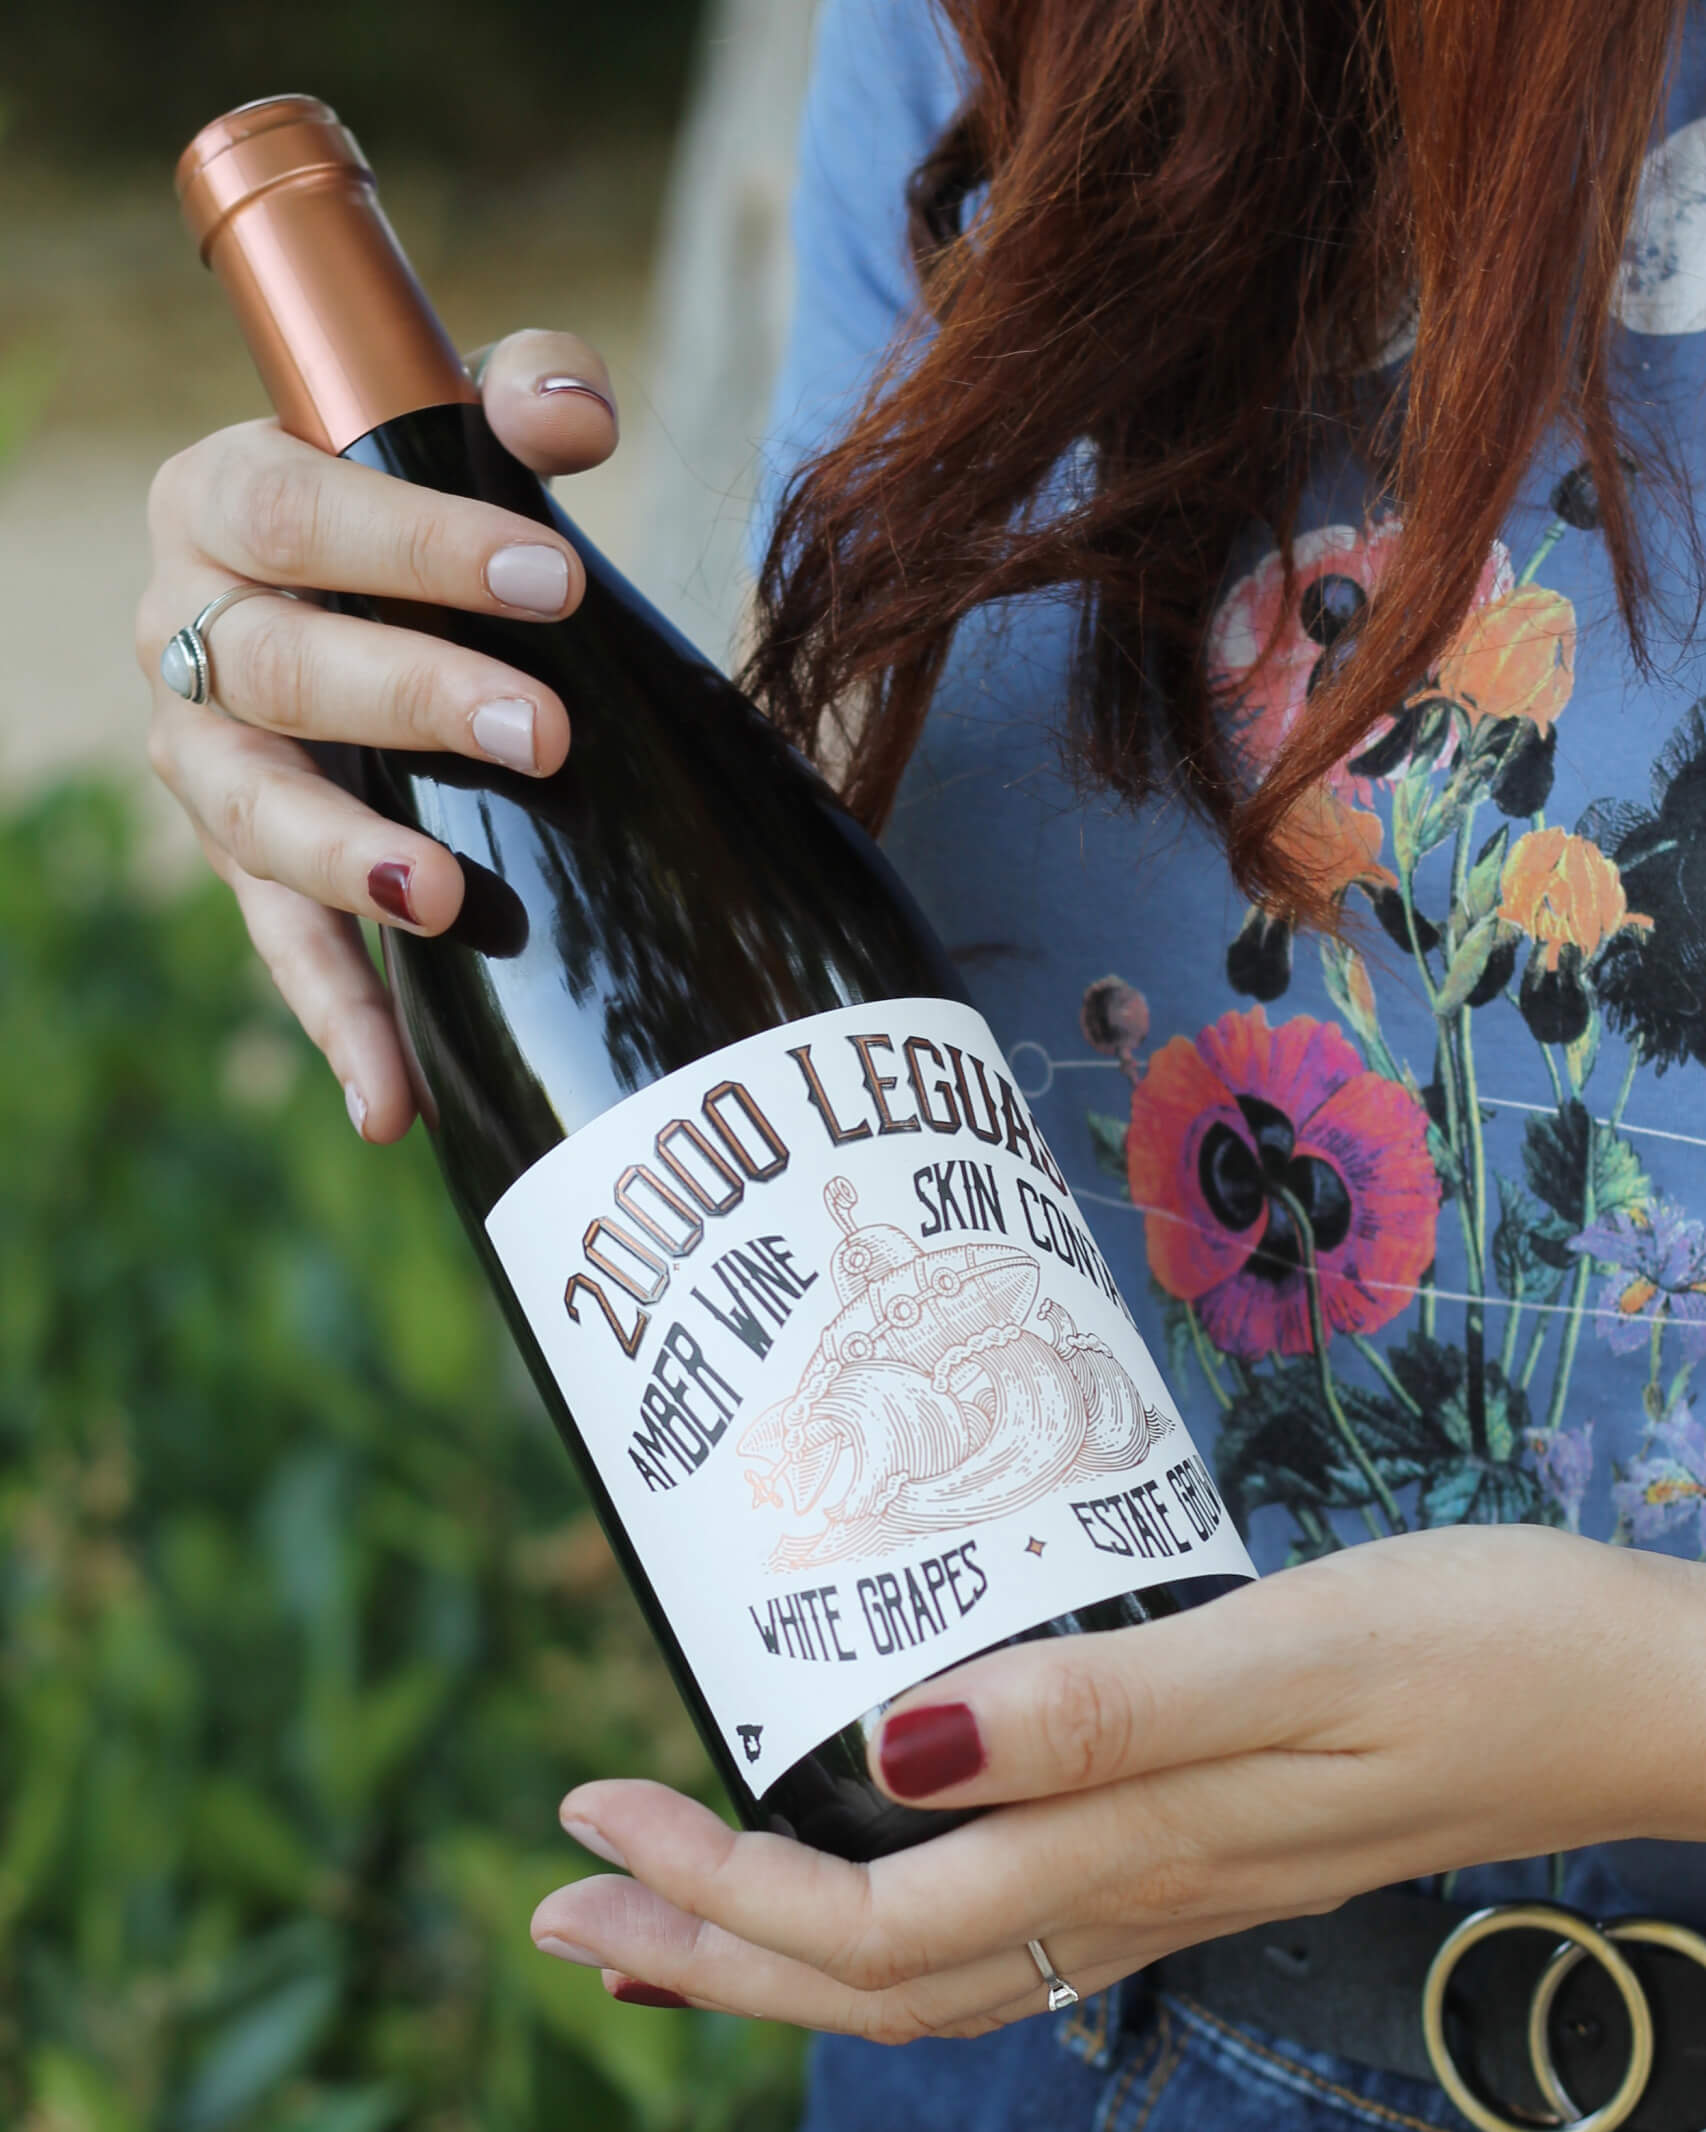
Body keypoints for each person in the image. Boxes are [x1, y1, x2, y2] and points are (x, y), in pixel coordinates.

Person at [139, 0, 1706, 2125]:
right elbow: (818, 937)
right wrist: (354, 652)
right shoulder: (982, 30)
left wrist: (1654, 1704)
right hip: (1050, 2018)